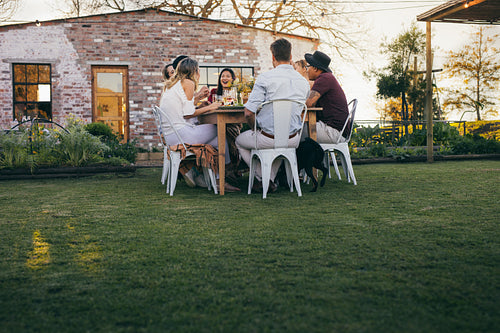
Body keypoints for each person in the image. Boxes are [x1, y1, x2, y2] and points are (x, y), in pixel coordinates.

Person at [235, 38, 310, 192]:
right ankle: (269, 179)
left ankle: (261, 176)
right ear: (290, 57)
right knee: (277, 145)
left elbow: (248, 113)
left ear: (273, 57)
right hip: (292, 139)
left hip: (268, 139)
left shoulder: (265, 78)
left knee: (239, 141)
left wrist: (255, 128)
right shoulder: (303, 82)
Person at [159, 57, 240, 192]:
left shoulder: (173, 85)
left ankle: (217, 178)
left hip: (171, 136)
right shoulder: (188, 82)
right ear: (194, 71)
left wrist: (200, 105)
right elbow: (188, 114)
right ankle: (225, 172)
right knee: (219, 130)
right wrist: (210, 107)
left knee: (218, 139)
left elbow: (184, 109)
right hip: (181, 135)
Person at [304, 51, 349, 144]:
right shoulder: (327, 78)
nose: (306, 70)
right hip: (336, 129)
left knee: (294, 131)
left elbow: (308, 104)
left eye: (308, 67)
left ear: (315, 68)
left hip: (334, 132)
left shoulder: (324, 78)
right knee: (296, 130)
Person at [207, 68, 242, 180]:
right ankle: (230, 167)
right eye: (223, 76)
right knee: (224, 132)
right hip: (217, 123)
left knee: (229, 131)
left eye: (228, 76)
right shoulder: (214, 92)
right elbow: (209, 108)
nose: (225, 78)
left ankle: (230, 167)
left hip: (233, 123)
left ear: (232, 79)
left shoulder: (237, 93)